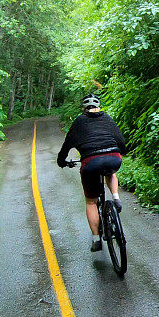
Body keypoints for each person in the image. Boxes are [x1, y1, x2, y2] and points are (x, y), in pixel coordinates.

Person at [57, 93, 127, 252]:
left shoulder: (79, 122)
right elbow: (120, 139)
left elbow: (67, 144)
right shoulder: (107, 118)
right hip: (113, 158)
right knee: (111, 172)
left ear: (84, 108)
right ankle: (116, 198)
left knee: (91, 202)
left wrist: (61, 160)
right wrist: (122, 150)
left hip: (91, 162)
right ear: (98, 106)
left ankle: (96, 239)